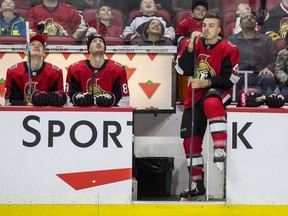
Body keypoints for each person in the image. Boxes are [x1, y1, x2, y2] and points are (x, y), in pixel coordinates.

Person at [175, 12, 240, 200]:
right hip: (194, 96)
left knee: (211, 102)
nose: (206, 28)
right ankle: (197, 184)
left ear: (219, 30)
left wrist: (206, 83)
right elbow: (181, 70)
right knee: (190, 141)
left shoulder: (229, 48)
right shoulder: (191, 45)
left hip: (219, 92)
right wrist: (190, 49)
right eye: (204, 25)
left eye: (211, 25)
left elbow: (231, 78)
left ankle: (220, 148)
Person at [66, 34, 130, 107]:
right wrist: (78, 99)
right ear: (88, 48)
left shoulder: (118, 69)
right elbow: (68, 99)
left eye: (101, 41)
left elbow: (124, 100)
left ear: (105, 48)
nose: (98, 43)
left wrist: (111, 101)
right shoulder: (75, 69)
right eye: (94, 41)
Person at [4, 35, 67, 106]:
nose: (36, 46)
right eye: (32, 44)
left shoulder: (55, 72)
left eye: (40, 45)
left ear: (44, 53)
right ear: (25, 51)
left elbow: (58, 100)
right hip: (20, 115)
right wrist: (27, 107)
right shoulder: (14, 72)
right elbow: (11, 101)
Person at [227, 12, 278, 97]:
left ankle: (267, 105)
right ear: (240, 24)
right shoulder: (231, 40)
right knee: (230, 80)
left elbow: (274, 58)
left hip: (259, 75)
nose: (249, 19)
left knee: (268, 79)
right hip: (238, 75)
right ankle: (235, 107)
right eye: (245, 17)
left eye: (252, 17)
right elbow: (224, 59)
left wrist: (268, 68)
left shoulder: (266, 40)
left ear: (256, 24)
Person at [274, 33, 288, 102]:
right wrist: (286, 79)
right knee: (285, 94)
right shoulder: (282, 53)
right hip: (286, 83)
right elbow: (278, 70)